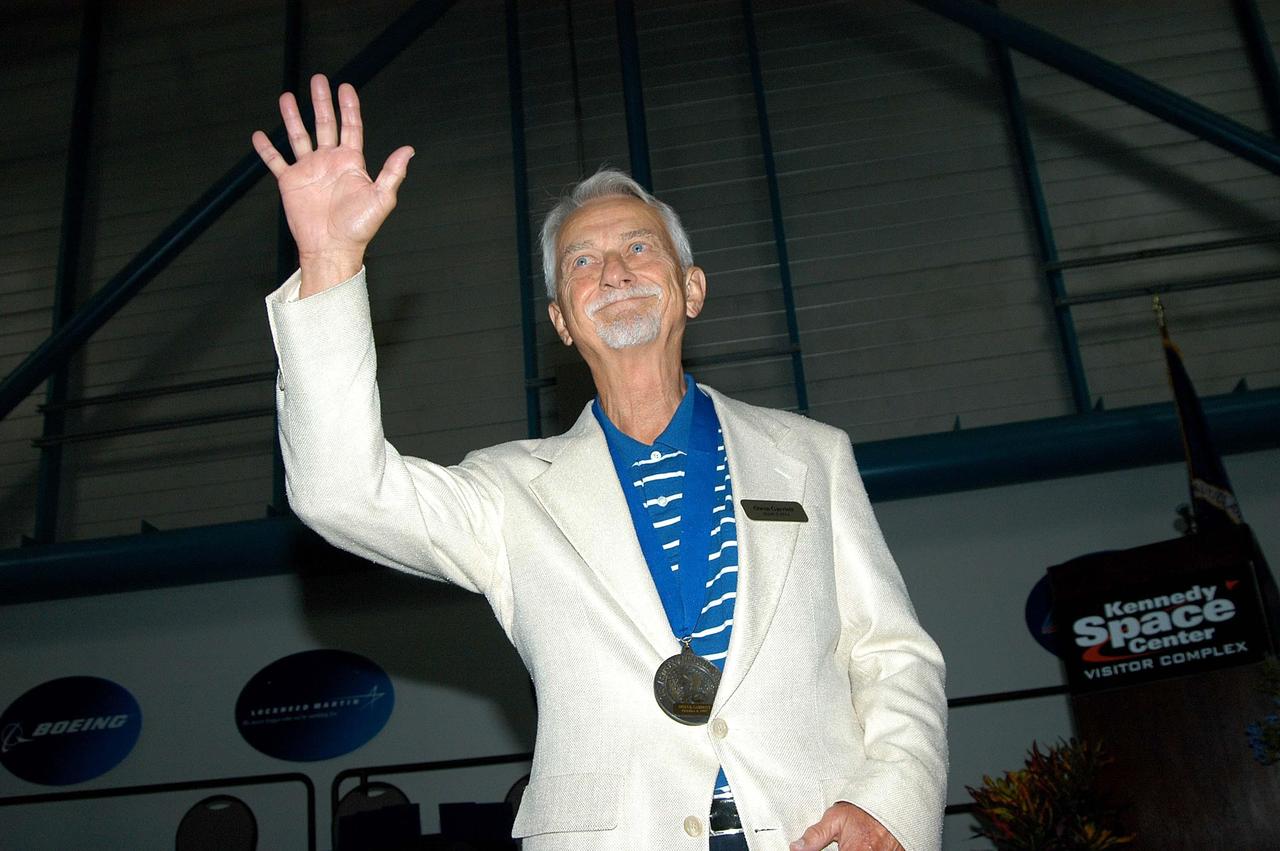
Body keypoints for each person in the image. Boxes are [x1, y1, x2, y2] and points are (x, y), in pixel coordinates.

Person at [255, 74, 947, 851]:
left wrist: (892, 801)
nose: (613, 270)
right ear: (560, 320)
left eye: (638, 247)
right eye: (581, 262)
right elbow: (340, 491)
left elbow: (892, 653)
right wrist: (328, 260)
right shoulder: (509, 494)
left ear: (692, 290)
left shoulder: (813, 457)